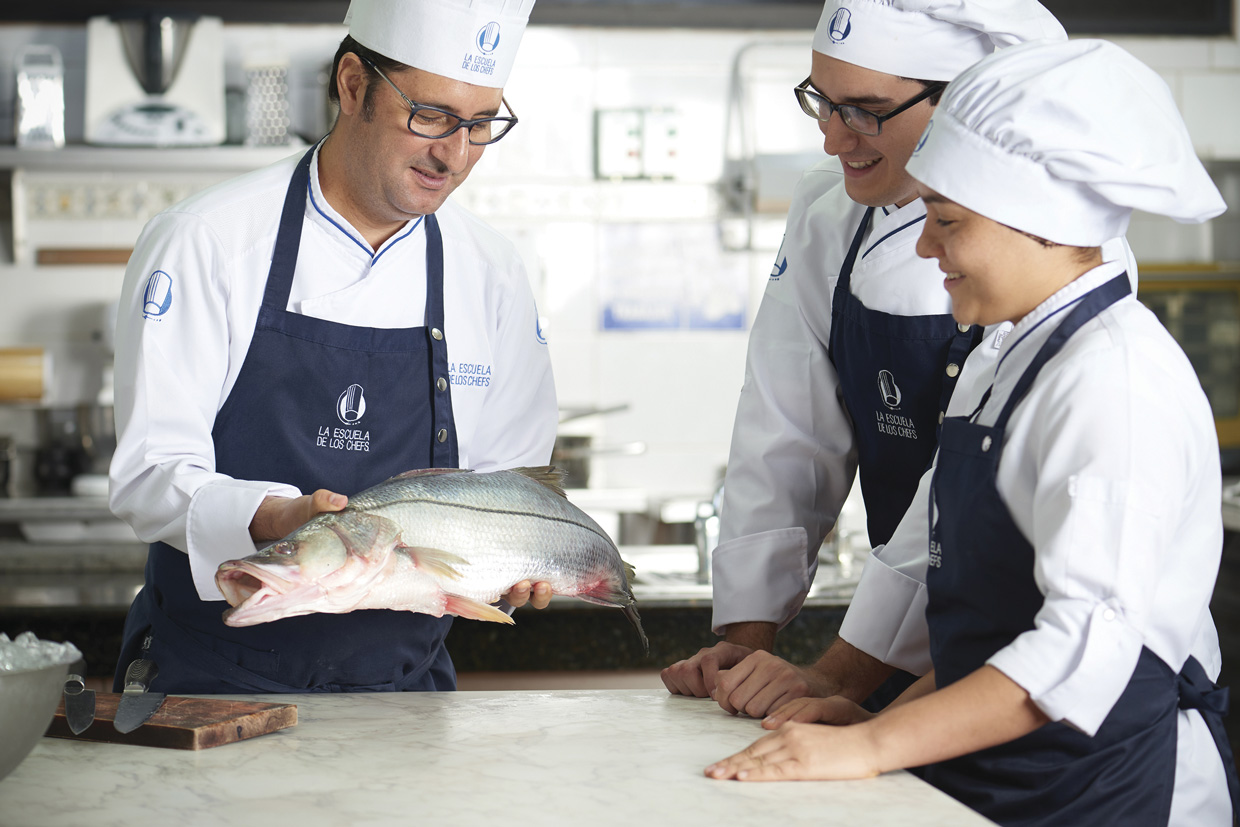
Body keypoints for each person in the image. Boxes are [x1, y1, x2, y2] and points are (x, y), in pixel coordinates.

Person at [705, 37, 1238, 827]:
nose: (924, 246)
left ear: (1048, 225)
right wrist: (882, 725)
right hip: (1008, 782)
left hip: (1109, 789)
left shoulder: (1113, 384)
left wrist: (874, 748)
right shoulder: (1004, 362)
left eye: (947, 220)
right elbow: (993, 638)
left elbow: (1076, 653)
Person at [108, 0, 558, 693]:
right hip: (210, 687)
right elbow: (148, 472)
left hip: (405, 693)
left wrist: (514, 559)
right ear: (353, 85)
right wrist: (276, 519)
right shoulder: (208, 241)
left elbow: (510, 481)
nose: (455, 154)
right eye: (431, 116)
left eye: (481, 124)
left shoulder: (491, 272)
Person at [663, 0, 1086, 714]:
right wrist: (750, 639)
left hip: (1023, 668)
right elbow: (783, 429)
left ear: (964, 100)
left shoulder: (1049, 243)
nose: (833, 139)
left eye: (865, 110)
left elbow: (965, 484)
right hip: (911, 653)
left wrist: (842, 672)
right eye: (821, 102)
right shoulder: (829, 212)